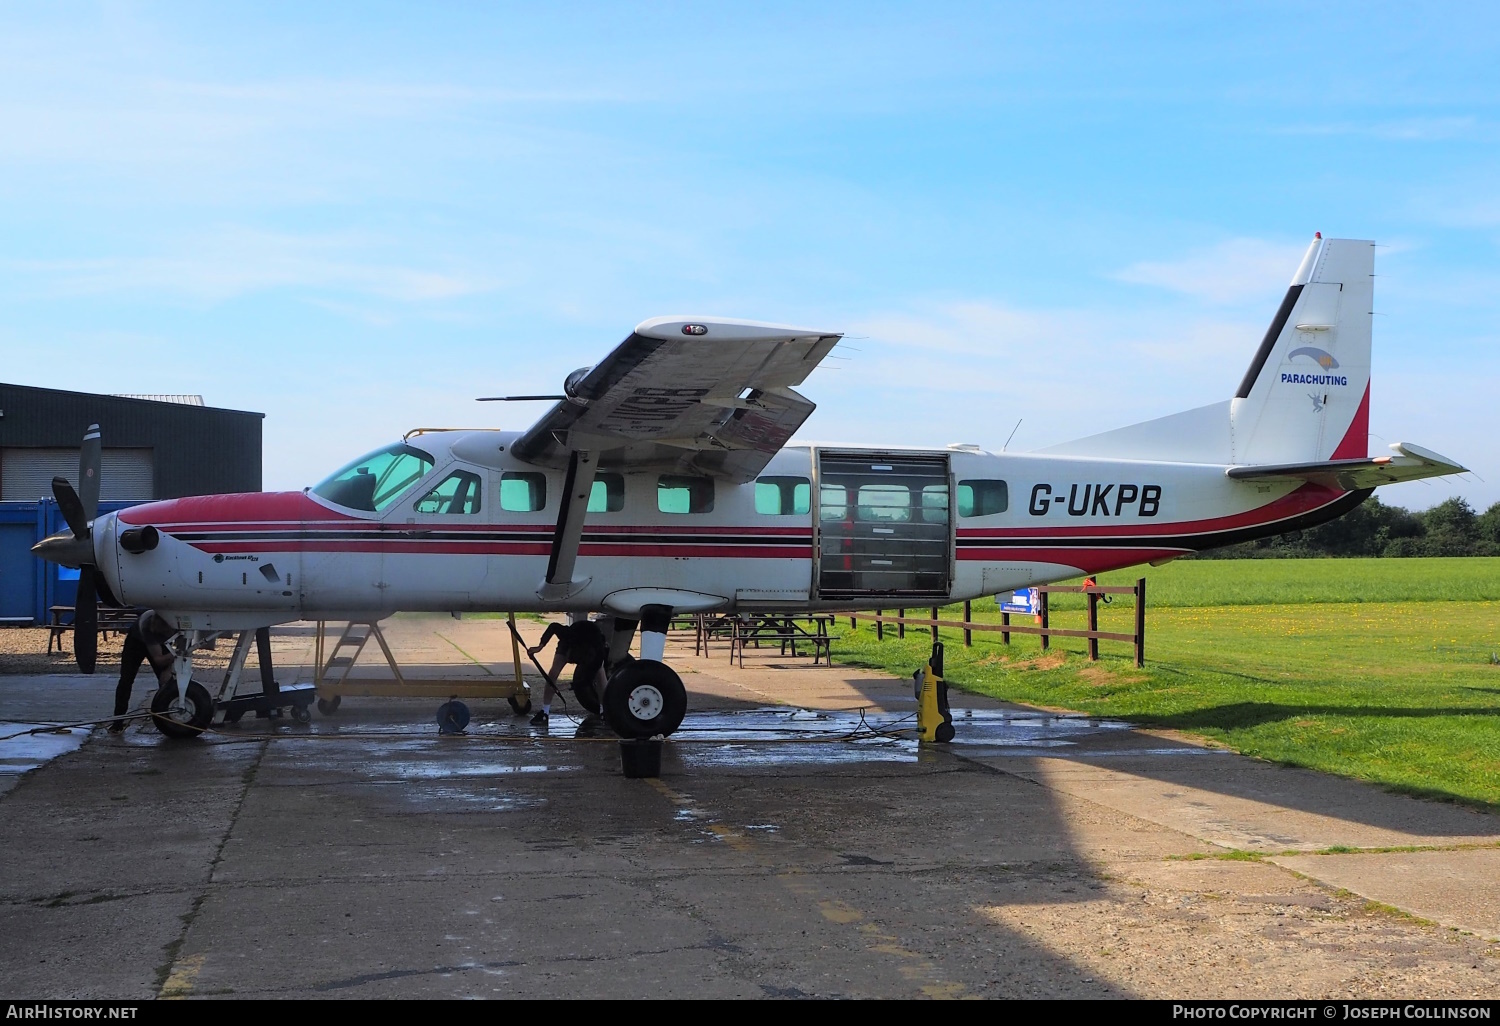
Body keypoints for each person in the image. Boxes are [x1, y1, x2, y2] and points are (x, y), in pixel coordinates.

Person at [525, 613, 608, 726]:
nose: (567, 660)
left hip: (593, 641)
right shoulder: (567, 636)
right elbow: (553, 626)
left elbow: (586, 681)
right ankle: (545, 712)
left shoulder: (597, 656)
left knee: (600, 675)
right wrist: (540, 646)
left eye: (569, 658)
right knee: (552, 674)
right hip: (572, 639)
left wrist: (568, 686)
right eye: (566, 657)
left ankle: (605, 711)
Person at [110, 610, 177, 733]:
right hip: (135, 642)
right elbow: (159, 660)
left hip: (161, 640)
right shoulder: (148, 628)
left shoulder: (176, 622)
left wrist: (168, 669)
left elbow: (182, 646)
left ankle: (169, 719)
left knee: (169, 683)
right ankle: (117, 721)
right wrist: (171, 660)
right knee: (126, 680)